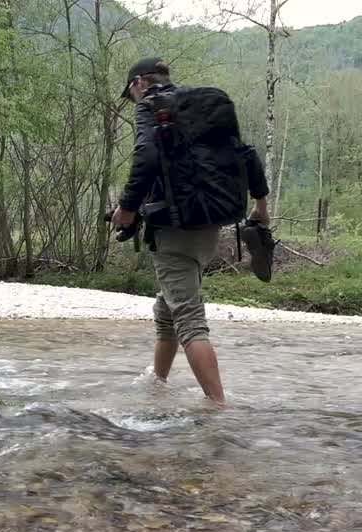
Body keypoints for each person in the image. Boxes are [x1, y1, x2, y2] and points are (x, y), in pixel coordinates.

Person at [109, 57, 271, 406]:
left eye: (131, 93)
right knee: (167, 306)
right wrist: (261, 205)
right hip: (211, 223)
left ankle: (217, 406)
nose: (132, 100)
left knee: (189, 317)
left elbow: (146, 157)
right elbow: (247, 154)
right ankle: (158, 382)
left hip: (174, 227)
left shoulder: (151, 107)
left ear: (139, 83)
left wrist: (127, 209)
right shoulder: (204, 105)